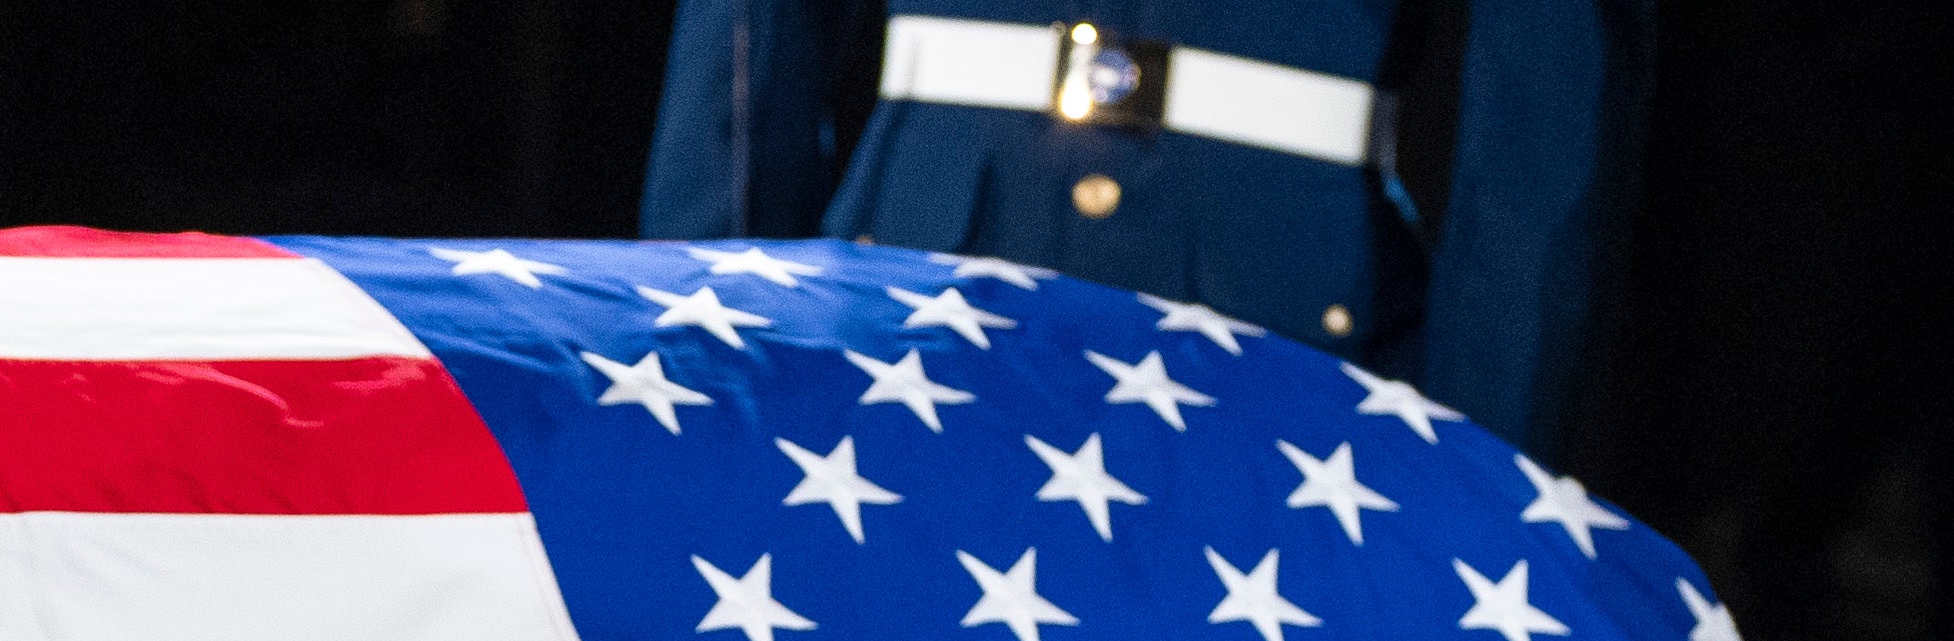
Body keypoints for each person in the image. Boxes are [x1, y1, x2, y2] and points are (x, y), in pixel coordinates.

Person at [636, 0, 1643, 457]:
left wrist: (1484, 460)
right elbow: (748, 39)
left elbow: (1548, 115)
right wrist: (708, 355)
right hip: (903, 305)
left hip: (1279, 339)